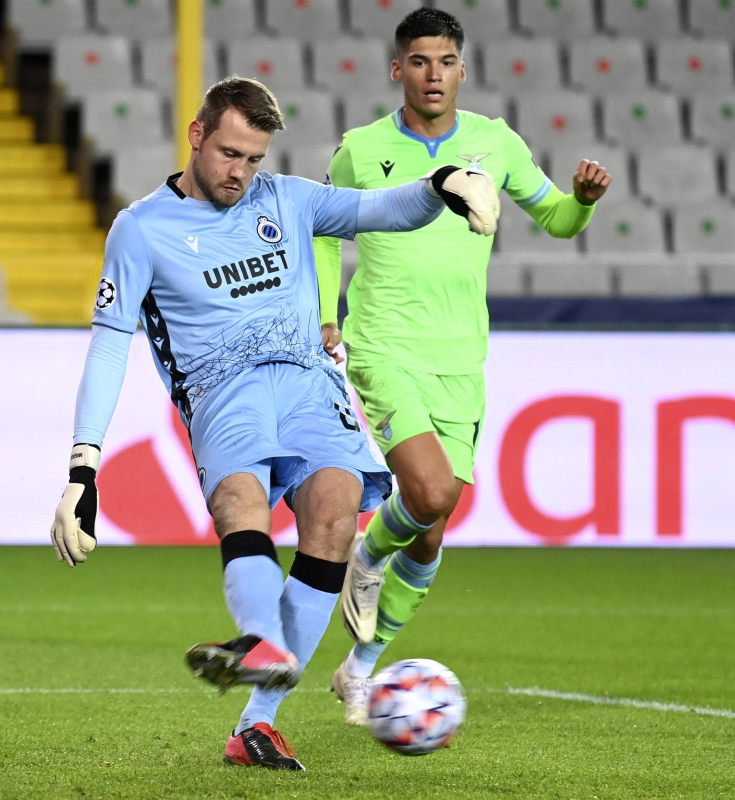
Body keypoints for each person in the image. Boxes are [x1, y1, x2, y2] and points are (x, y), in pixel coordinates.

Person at [47, 76, 499, 770]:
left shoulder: (286, 199)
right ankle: (259, 641)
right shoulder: (140, 229)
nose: (241, 173)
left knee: (336, 511)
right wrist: (84, 468)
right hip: (223, 391)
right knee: (241, 504)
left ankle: (257, 724)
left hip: (309, 385)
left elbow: (384, 209)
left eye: (254, 158)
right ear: (196, 135)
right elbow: (111, 341)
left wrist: (442, 184)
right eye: (230, 154)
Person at [315, 8, 612, 725]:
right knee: (428, 488)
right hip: (384, 344)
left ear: (463, 69)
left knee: (434, 521)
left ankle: (359, 667)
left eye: (445, 60)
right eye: (419, 61)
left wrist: (584, 202)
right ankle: (365, 554)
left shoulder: (496, 143)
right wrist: (326, 314)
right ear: (397, 70)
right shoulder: (362, 149)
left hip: (460, 357)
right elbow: (324, 230)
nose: (433, 74)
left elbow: (557, 221)